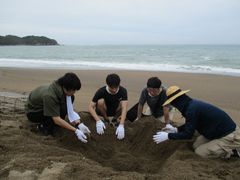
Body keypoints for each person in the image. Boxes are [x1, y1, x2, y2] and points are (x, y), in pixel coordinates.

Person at [153, 85, 240, 158]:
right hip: (215, 132)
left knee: (200, 153)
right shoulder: (191, 105)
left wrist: (168, 136)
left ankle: (233, 151)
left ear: (177, 101)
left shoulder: (191, 110)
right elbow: (191, 124)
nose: (174, 105)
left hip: (229, 135)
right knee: (196, 145)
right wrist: (176, 130)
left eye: (173, 103)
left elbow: (188, 134)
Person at [25, 72, 90, 143]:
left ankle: (54, 124)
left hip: (45, 106)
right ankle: (43, 127)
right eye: (74, 90)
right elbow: (56, 119)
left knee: (68, 101)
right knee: (56, 114)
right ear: (67, 87)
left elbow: (69, 110)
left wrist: (79, 124)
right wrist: (76, 131)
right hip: (33, 112)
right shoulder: (50, 95)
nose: (74, 92)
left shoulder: (63, 90)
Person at [88, 73, 128, 140]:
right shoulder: (101, 91)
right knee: (100, 102)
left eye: (116, 87)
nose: (114, 90)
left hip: (116, 111)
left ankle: (114, 120)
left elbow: (124, 108)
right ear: (107, 85)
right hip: (104, 110)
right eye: (112, 88)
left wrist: (121, 125)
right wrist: (98, 121)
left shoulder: (123, 91)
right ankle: (106, 120)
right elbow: (90, 107)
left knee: (124, 104)